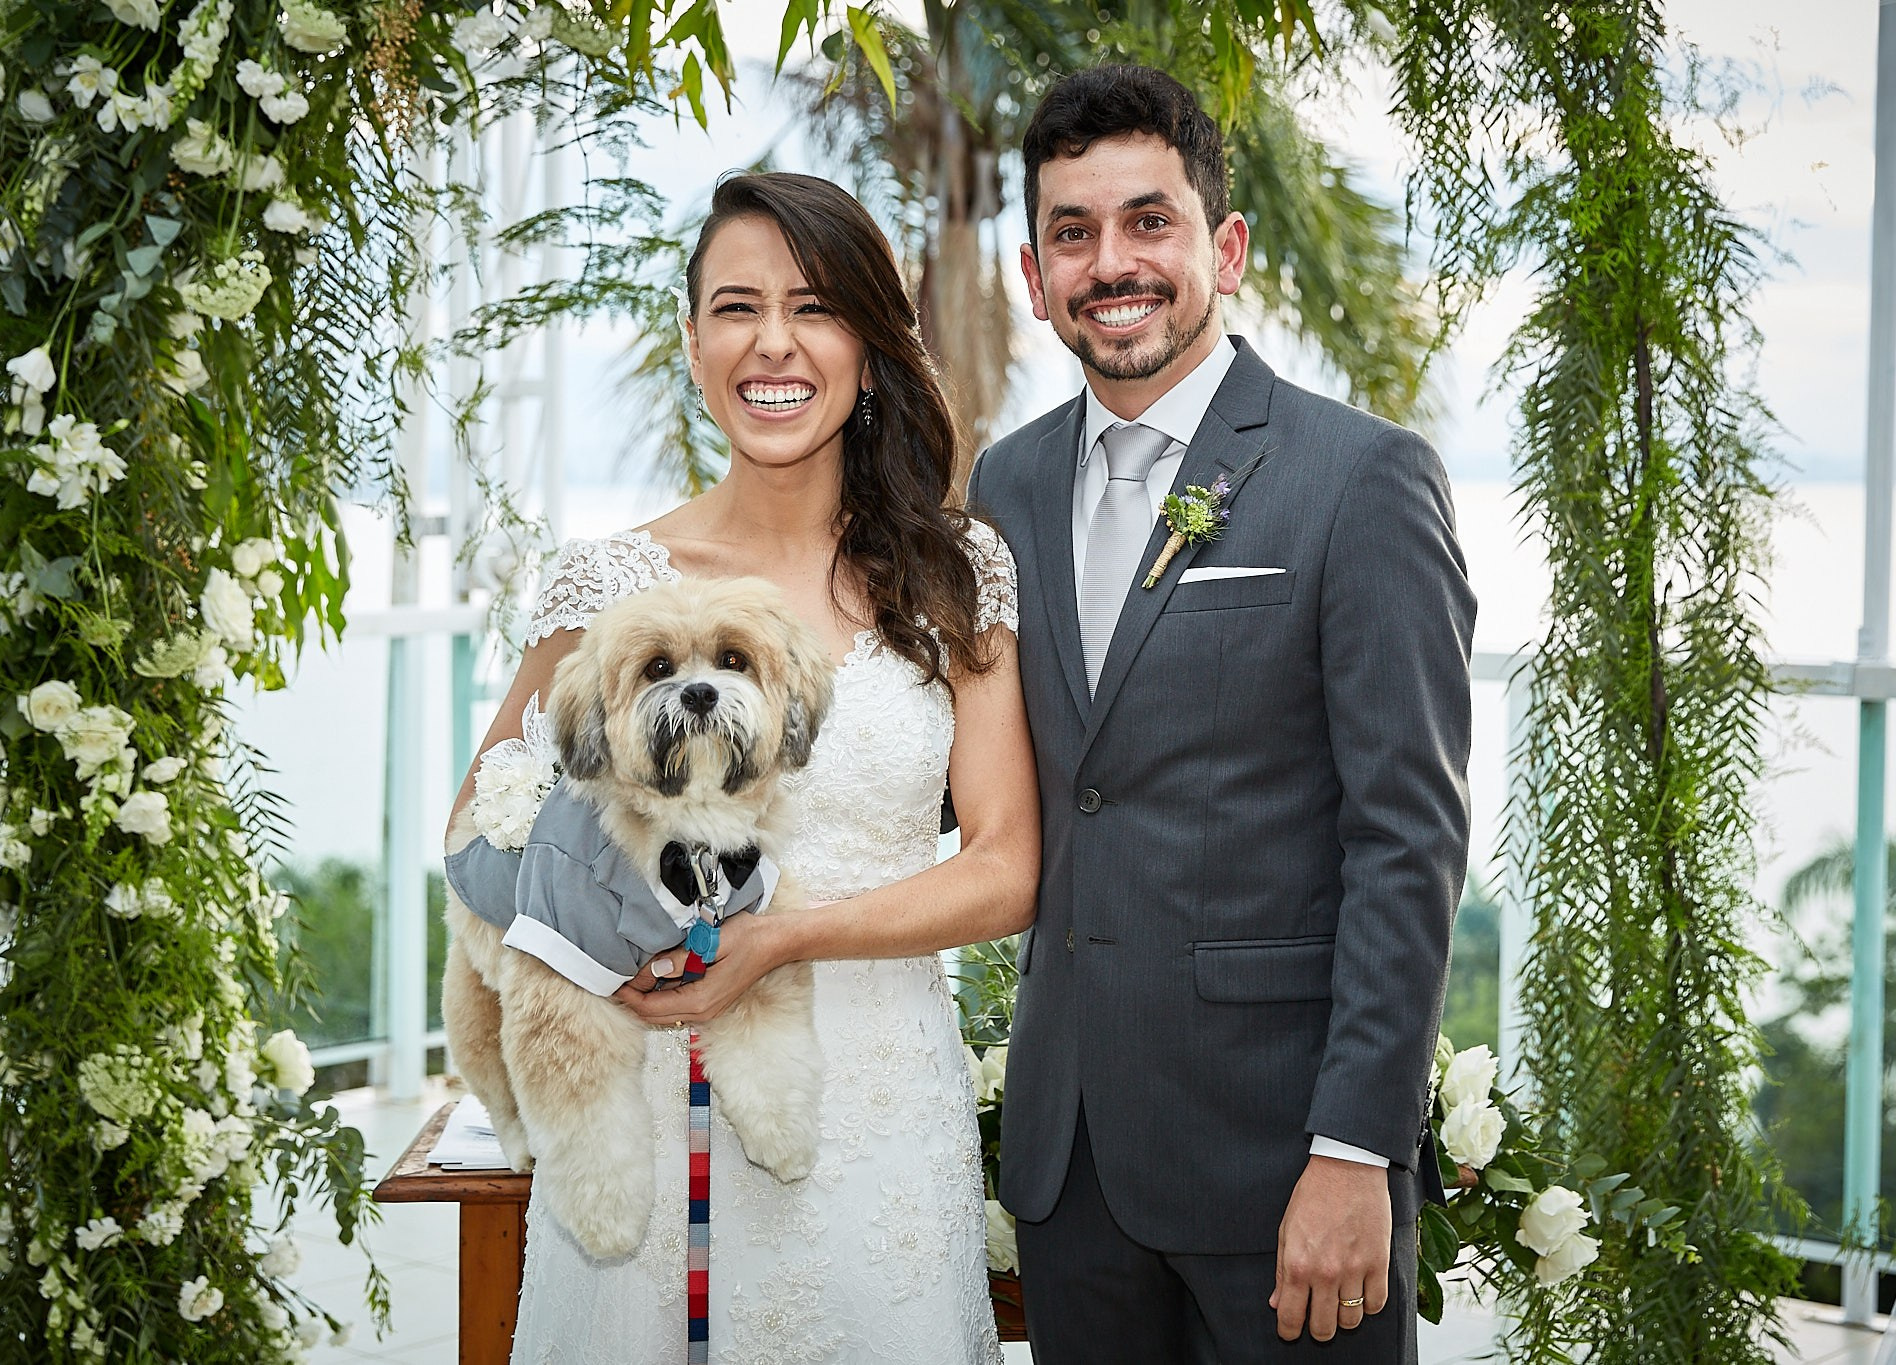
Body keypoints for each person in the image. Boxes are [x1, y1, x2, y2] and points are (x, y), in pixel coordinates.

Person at [447, 171, 1040, 1364]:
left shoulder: (954, 573)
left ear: (870, 350)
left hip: (877, 1115)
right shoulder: (606, 587)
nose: (773, 342)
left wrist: (777, 941)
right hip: (648, 1106)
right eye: (735, 306)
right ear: (692, 341)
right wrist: (603, 937)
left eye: (813, 306)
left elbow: (1008, 866)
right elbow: (480, 831)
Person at [966, 64, 1474, 1363]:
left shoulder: (1359, 480)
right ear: (1035, 276)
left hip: (1284, 1173)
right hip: (1070, 1168)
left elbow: (1407, 842)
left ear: (1226, 247)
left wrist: (1355, 1150)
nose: (1110, 262)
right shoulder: (1004, 487)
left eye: (1150, 221)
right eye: (1072, 233)